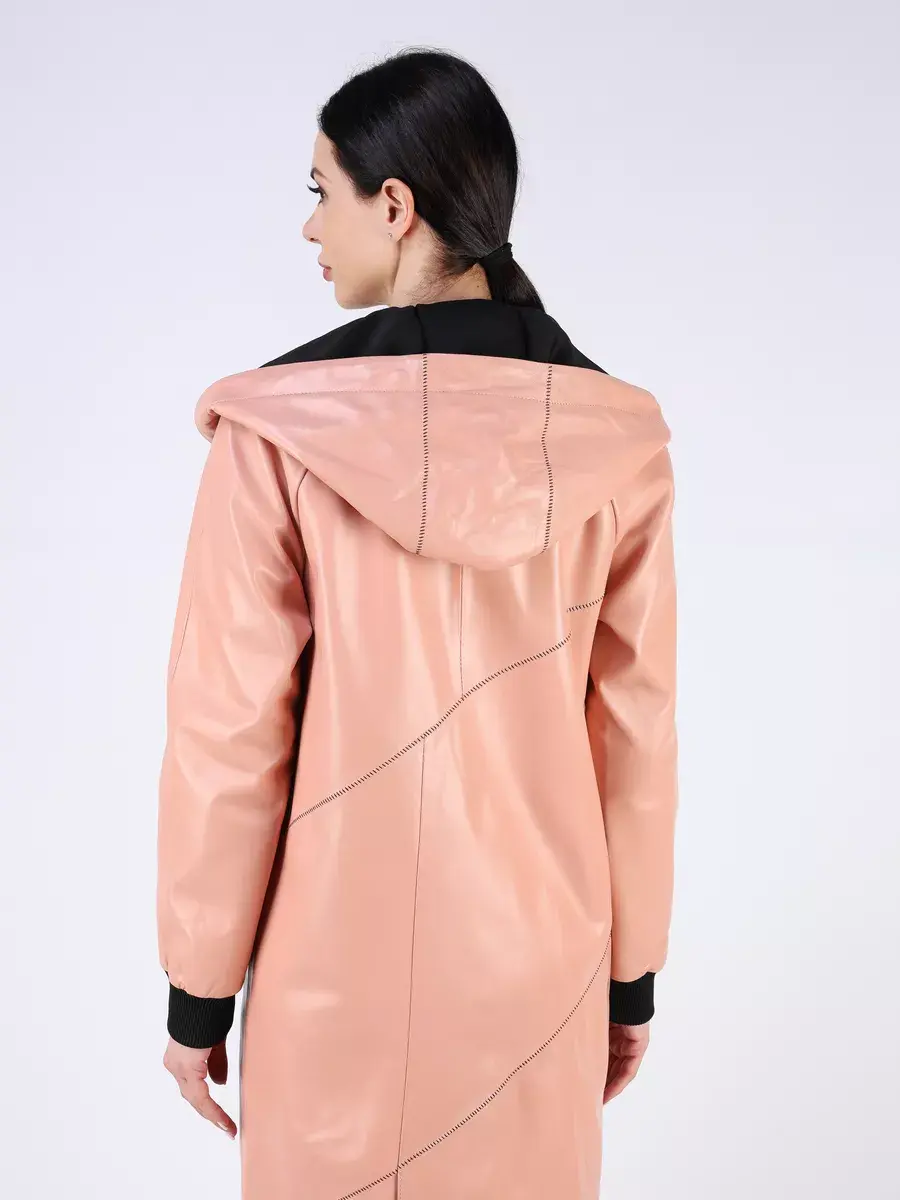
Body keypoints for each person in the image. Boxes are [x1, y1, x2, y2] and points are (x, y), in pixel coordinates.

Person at [157, 45, 678, 1200]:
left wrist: (198, 994)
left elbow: (227, 736)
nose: (310, 227)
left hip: (328, 983)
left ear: (393, 206)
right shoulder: (618, 446)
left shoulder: (275, 438)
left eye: (321, 192)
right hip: (538, 980)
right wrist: (631, 980)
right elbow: (636, 736)